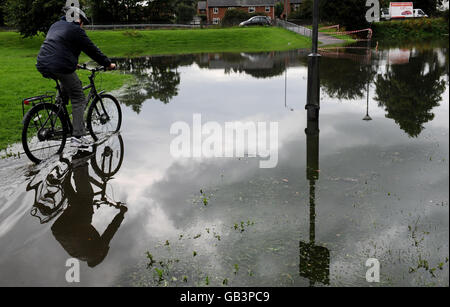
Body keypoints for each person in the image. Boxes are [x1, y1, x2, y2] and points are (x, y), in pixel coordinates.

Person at [36, 7, 116, 148]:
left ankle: (57, 110)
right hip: (60, 66)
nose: (82, 25)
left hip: (43, 63)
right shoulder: (76, 30)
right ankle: (77, 137)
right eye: (83, 23)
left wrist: (73, 64)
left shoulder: (55, 25)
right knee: (78, 97)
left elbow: (59, 46)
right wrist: (108, 63)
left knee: (66, 87)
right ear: (79, 20)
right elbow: (92, 50)